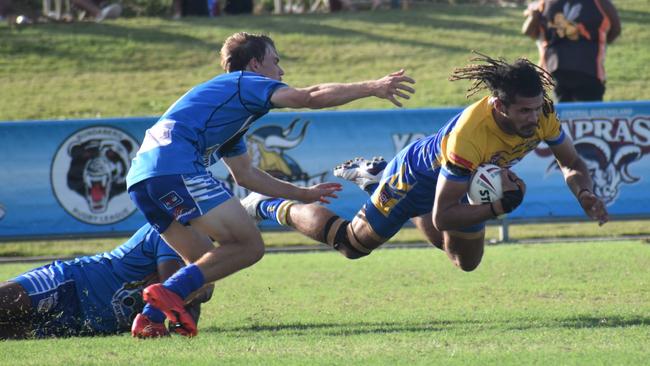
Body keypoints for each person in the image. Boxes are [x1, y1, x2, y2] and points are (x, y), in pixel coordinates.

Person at [125, 31, 415, 338]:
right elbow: (308, 97)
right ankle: (166, 293)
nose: (281, 72)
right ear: (254, 65)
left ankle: (150, 318)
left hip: (142, 179)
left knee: (203, 278)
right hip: (174, 166)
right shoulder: (243, 83)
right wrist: (372, 87)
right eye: (275, 62)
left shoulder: (230, 111)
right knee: (248, 245)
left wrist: (303, 193)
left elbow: (246, 176)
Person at [242, 53, 609, 273]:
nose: (533, 118)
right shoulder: (472, 135)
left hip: (455, 186)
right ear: (499, 106)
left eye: (535, 108)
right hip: (417, 176)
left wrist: (585, 192)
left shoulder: (543, 113)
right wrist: (496, 206)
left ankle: (373, 178)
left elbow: (572, 162)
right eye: (523, 111)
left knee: (463, 261)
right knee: (352, 245)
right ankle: (269, 205)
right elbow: (443, 216)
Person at [0, 224, 211, 339]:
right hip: (71, 282)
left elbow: (182, 324)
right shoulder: (168, 230)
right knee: (5, 303)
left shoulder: (200, 251)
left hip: (83, 323)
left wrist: (202, 289)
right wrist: (201, 285)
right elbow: (170, 291)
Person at [522, 0, 621, 102]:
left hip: (581, 68)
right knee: (586, 114)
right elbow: (616, 29)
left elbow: (616, 28)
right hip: (567, 69)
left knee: (575, 113)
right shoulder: (544, 3)